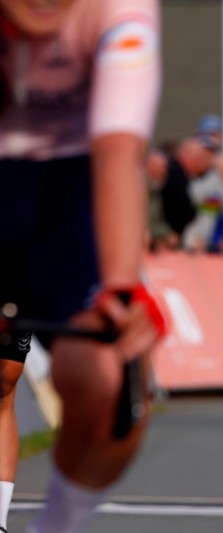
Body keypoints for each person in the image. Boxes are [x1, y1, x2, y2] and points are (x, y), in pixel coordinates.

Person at [0, 1, 166, 532]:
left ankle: (54, 525)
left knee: (106, 377)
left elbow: (119, 151)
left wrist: (120, 288)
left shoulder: (118, 8)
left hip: (75, 186)